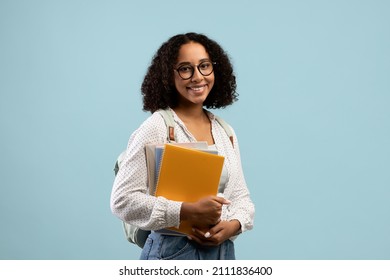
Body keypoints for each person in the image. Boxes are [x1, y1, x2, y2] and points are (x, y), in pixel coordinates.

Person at [110, 32, 255, 260]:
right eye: (186, 69)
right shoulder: (157, 126)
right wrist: (187, 211)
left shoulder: (225, 131)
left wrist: (233, 226)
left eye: (204, 66)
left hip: (222, 252)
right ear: (169, 75)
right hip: (172, 253)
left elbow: (241, 197)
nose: (198, 77)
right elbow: (122, 201)